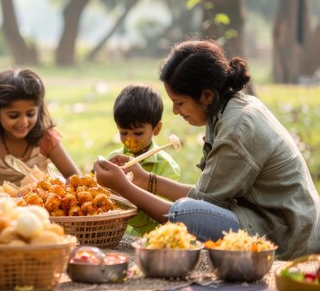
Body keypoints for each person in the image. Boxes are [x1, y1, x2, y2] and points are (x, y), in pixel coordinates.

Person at [94, 39, 320, 260]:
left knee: (184, 213)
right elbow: (204, 194)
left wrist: (124, 187)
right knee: (188, 209)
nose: (174, 111)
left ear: (207, 96)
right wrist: (145, 180)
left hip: (288, 234)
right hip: (265, 216)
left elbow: (195, 211)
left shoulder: (237, 130)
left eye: (180, 102)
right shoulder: (231, 108)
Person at [0, 68, 80, 185]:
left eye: (30, 114)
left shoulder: (46, 138)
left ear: (38, 109)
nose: (24, 122)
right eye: (14, 115)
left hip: (42, 201)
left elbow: (74, 176)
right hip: (4, 201)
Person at [106, 84, 180, 236]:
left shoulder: (167, 167)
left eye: (138, 133)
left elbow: (163, 221)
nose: (130, 139)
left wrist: (129, 198)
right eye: (123, 132)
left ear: (156, 129)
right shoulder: (113, 161)